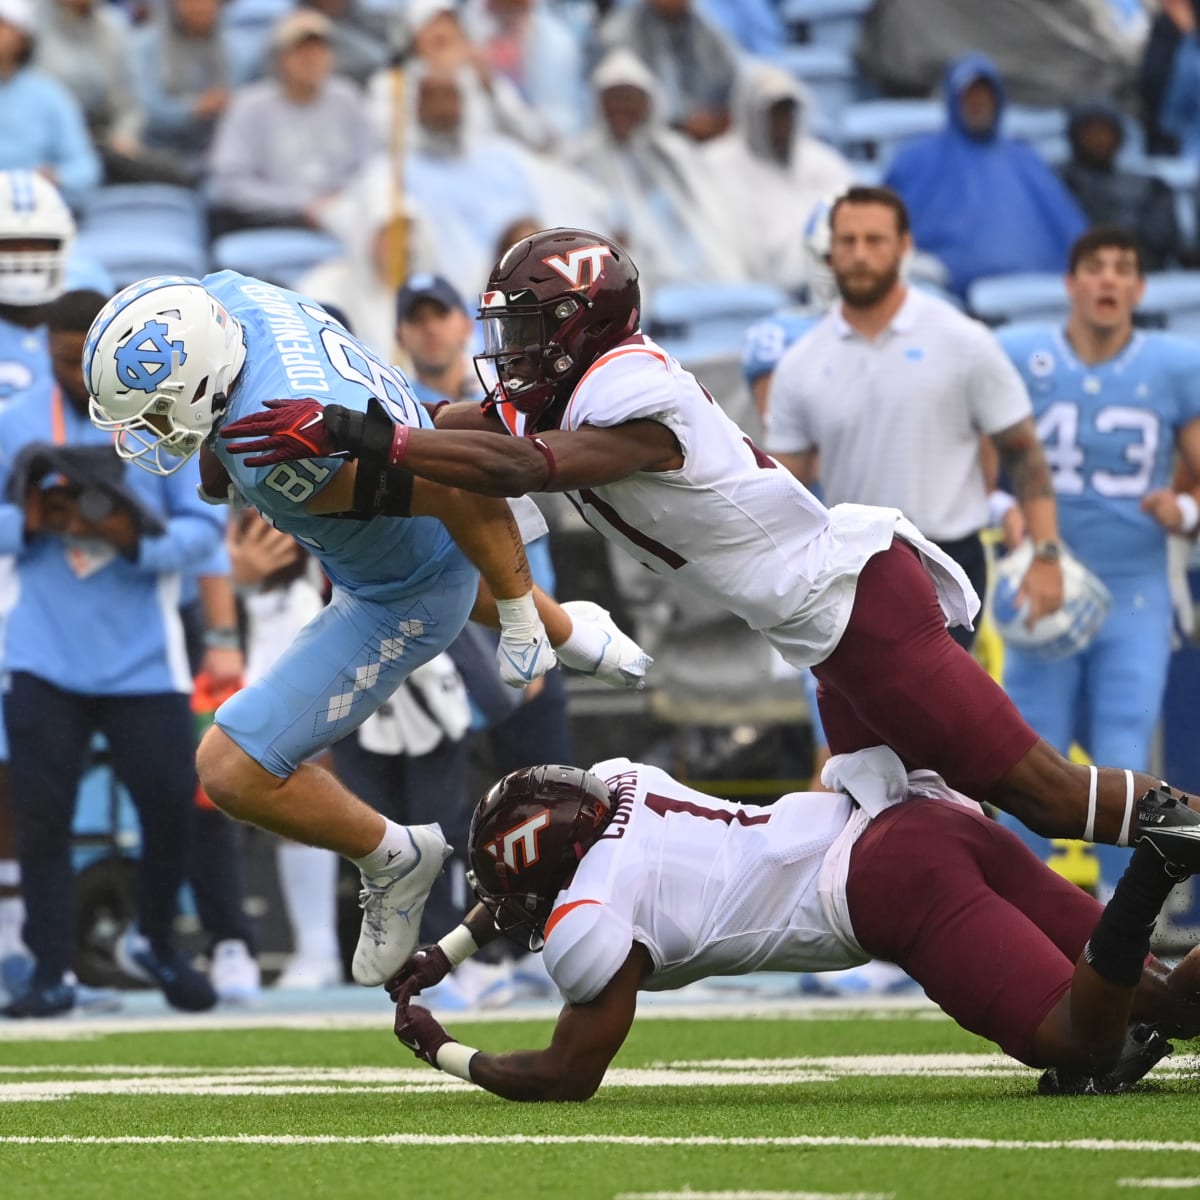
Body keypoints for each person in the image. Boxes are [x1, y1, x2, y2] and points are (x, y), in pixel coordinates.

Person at [220, 224, 1200, 861]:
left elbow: (516, 470)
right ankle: (1087, 986)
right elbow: (454, 423)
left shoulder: (628, 390)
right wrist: (333, 416)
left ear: (577, 326)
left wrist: (364, 434)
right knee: (897, 821)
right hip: (829, 632)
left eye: (526, 325)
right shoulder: (568, 382)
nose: (509, 345)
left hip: (860, 612)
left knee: (1041, 793)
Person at [84, 268, 652, 991]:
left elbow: (453, 489)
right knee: (416, 534)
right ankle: (575, 629)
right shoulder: (232, 294)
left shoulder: (281, 447)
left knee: (228, 769)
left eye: (159, 414)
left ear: (201, 380)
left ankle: (392, 856)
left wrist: (513, 615)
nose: (149, 434)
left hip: (404, 594)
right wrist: (216, 453)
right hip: (407, 451)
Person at [386, 751, 1200, 1100]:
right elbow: (538, 872)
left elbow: (569, 1075)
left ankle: (1154, 868)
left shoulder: (593, 915)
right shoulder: (613, 782)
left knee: (1081, 1043)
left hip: (889, 885)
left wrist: (443, 1050)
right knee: (1163, 1004)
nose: (524, 916)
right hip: (922, 819)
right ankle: (1161, 883)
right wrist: (447, 951)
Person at [0, 289, 224, 1017]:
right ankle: (51, 969)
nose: (72, 375)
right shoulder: (17, 424)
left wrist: (139, 540)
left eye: (82, 361)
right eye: (62, 362)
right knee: (42, 819)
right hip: (41, 656)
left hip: (144, 661)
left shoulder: (165, 415)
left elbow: (206, 535)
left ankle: (155, 939)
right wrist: (33, 521)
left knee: (168, 809)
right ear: (47, 351)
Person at [764, 186, 1060, 652]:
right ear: (829, 251)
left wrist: (1047, 553)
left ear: (905, 247)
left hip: (946, 562)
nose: (860, 254)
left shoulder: (964, 341)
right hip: (849, 571)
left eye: (875, 240)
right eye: (848, 241)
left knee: (931, 720)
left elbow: (1023, 452)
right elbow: (780, 490)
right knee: (865, 724)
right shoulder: (799, 363)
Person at [994, 225, 1200, 893]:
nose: (1109, 279)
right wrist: (1004, 509)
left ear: (1140, 288)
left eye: (1124, 268)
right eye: (1097, 267)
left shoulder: (1173, 364)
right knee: (1030, 756)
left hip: (1136, 586)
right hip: (1045, 581)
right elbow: (975, 456)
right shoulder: (1021, 355)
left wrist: (1185, 510)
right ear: (1072, 282)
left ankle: (1127, 917)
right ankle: (1021, 906)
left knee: (1124, 754)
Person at [884, 53, 1087, 299]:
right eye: (969, 95)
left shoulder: (1026, 159)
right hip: (948, 299)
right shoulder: (917, 159)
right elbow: (885, 227)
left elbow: (1069, 230)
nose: (978, 102)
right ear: (953, 100)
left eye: (985, 94)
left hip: (1035, 298)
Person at [207, 9, 378, 237]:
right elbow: (231, 181)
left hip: (344, 215)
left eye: (319, 49)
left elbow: (370, 163)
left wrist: (340, 200)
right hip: (274, 221)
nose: (312, 57)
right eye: (301, 50)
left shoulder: (347, 99)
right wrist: (301, 204)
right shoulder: (250, 106)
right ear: (280, 59)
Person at [702, 62, 854, 296]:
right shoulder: (716, 164)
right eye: (774, 114)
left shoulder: (823, 161)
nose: (783, 123)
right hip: (759, 292)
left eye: (788, 113)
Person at [1059, 100, 1186, 273]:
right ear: (1073, 136)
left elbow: (1163, 240)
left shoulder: (1150, 186)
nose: (1099, 139)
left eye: (1106, 132)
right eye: (1090, 132)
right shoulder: (1055, 184)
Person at [0, 0, 100, 207]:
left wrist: (55, 177)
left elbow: (85, 168)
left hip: (30, 215)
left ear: (23, 37)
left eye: (2, 24)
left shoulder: (49, 95)